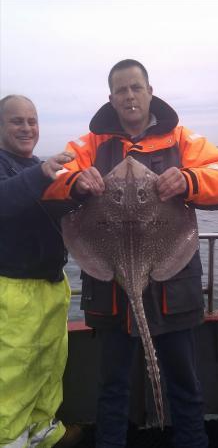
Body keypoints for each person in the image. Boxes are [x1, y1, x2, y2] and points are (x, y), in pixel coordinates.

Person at [43, 60, 218, 448]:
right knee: (112, 387)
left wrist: (189, 179)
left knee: (184, 383)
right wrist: (76, 182)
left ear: (150, 91)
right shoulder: (88, 145)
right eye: (121, 90)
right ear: (111, 98)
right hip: (110, 288)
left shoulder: (182, 140)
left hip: (173, 286)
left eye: (136, 87)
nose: (129, 96)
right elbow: (51, 179)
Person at [0, 95, 84, 447]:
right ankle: (10, 439)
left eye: (32, 121)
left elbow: (63, 211)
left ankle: (42, 429)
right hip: (14, 289)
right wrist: (42, 173)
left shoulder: (36, 165)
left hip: (52, 284)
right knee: (13, 374)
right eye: (16, 121)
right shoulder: (21, 167)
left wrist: (82, 190)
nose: (26, 128)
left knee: (50, 364)